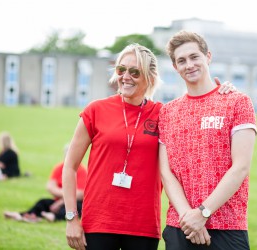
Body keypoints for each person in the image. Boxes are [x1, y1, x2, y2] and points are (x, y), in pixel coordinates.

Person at [62, 43, 235, 250]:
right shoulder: (96, 110)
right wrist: (72, 217)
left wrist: (222, 94)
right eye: (121, 70)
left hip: (142, 227)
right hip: (98, 223)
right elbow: (70, 167)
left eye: (135, 72)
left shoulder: (164, 113)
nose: (126, 77)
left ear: (150, 77)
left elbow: (196, 115)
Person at [158, 30, 257, 250]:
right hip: (180, 225)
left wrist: (203, 212)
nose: (189, 65)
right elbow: (167, 173)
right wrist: (189, 218)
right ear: (175, 67)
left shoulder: (237, 102)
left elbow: (240, 167)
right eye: (181, 60)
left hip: (227, 225)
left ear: (208, 57)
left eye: (194, 57)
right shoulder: (168, 112)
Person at [4, 144, 87, 223]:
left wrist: (61, 201)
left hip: (73, 202)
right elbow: (50, 187)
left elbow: (80, 194)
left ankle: (54, 217)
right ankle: (24, 215)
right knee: (42, 202)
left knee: (73, 207)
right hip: (60, 200)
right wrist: (66, 194)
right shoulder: (59, 168)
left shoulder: (82, 171)